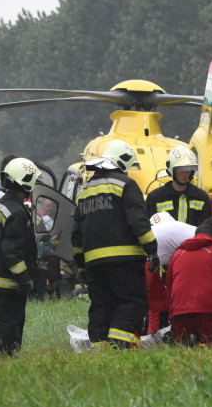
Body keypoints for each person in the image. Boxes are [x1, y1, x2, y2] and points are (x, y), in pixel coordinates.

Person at [72, 140, 158, 349]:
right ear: (123, 163)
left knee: (101, 305)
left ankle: (100, 348)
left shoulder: (85, 191)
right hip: (125, 262)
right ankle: (119, 349)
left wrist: (81, 262)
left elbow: (76, 233)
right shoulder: (126, 185)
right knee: (129, 302)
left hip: (94, 264)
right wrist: (152, 251)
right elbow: (139, 222)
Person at [0, 157, 39, 355]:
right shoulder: (16, 212)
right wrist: (24, 279)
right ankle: (1, 363)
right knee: (8, 330)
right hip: (7, 284)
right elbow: (12, 251)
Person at [166, 217, 212, 346]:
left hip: (180, 311)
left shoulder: (178, 253)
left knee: (181, 353)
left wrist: (173, 310)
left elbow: (170, 287)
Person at [144, 211, 196, 333]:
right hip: (148, 262)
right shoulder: (179, 232)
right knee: (156, 301)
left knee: (155, 303)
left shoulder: (162, 233)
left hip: (146, 261)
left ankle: (153, 333)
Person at [146, 146, 212, 226]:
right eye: (181, 169)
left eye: (189, 168)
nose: (185, 173)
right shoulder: (154, 197)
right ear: (172, 170)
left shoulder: (202, 197)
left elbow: (207, 228)